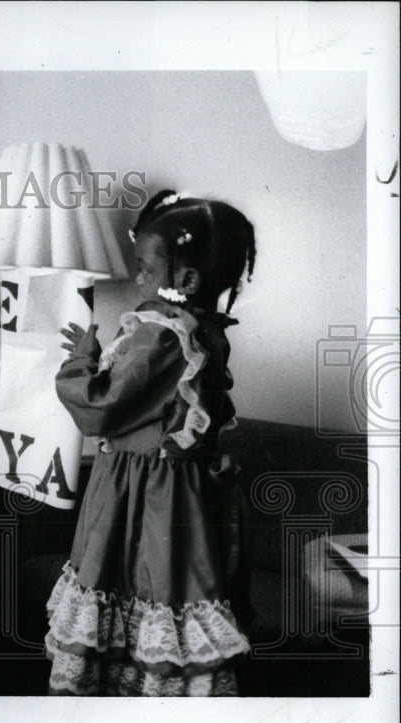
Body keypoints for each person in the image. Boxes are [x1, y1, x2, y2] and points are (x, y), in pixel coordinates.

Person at [44, 190, 256, 696]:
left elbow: (102, 406)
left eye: (144, 267)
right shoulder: (203, 329)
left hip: (141, 494)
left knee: (140, 582)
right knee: (163, 590)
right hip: (175, 490)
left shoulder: (161, 334)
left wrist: (82, 362)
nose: (138, 277)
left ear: (185, 280)